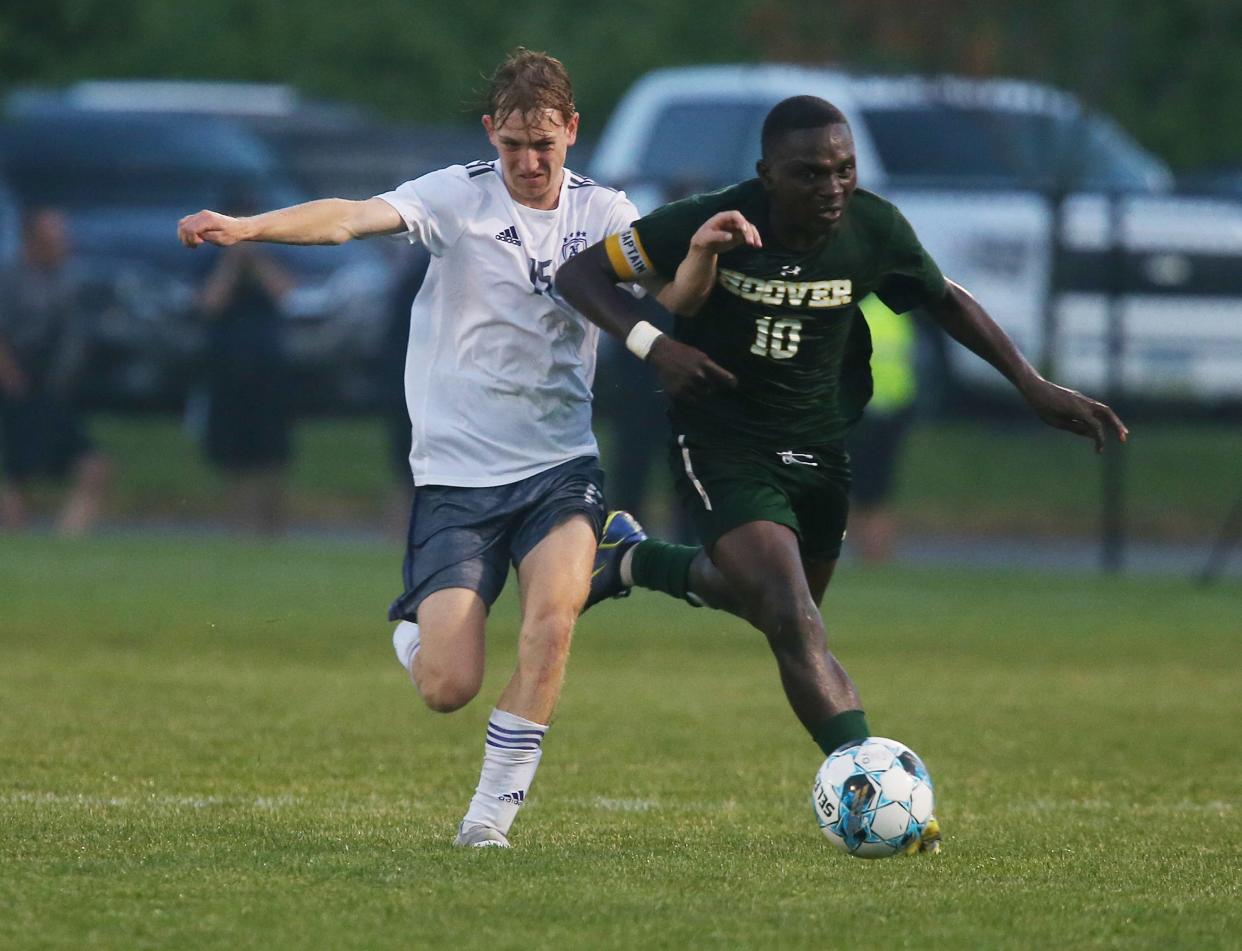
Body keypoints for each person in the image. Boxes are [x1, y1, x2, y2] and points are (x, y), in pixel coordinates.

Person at [558, 95, 1129, 854]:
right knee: (794, 616)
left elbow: (943, 299)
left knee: (784, 612)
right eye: (810, 173)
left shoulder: (873, 226)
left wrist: (1033, 385)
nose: (832, 187)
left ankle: (631, 558)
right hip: (723, 440)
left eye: (843, 169)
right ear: (767, 175)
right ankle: (871, 781)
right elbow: (580, 274)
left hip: (820, 447)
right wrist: (652, 346)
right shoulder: (715, 219)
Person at [178, 49, 699, 849]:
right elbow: (349, 216)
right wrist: (251, 228)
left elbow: (673, 301)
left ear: (573, 132)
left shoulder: (607, 215)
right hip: (456, 476)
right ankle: (424, 627)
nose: (528, 163)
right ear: (492, 132)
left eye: (545, 146)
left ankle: (488, 820)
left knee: (550, 627)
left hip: (560, 465)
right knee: (448, 685)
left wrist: (701, 256)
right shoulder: (456, 196)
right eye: (514, 145)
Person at [0, 207, 111, 535]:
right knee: (14, 477)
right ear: (31, 240)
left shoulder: (67, 279)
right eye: (55, 238)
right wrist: (11, 378)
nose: (64, 244)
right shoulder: (10, 279)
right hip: (18, 389)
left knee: (94, 467)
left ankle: (65, 543)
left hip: (52, 390)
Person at [196, 221, 295, 536]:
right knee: (232, 459)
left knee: (271, 457)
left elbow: (287, 294)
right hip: (227, 368)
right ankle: (238, 528)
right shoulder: (211, 260)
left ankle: (271, 528)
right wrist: (232, 262)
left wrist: (256, 260)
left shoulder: (273, 256)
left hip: (268, 370)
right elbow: (210, 302)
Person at [847, 295, 918, 564]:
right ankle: (877, 555)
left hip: (862, 412)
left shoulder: (856, 314)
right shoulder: (898, 317)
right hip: (894, 412)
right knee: (879, 491)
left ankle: (867, 553)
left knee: (855, 488)